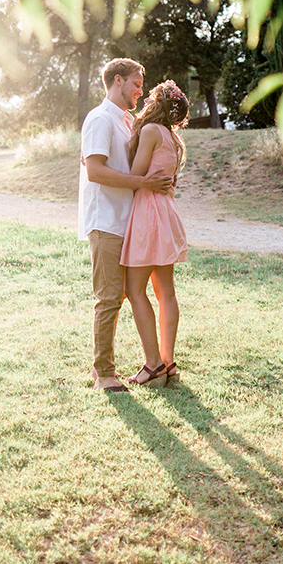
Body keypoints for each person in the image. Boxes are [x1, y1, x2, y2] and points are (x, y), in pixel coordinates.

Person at [78, 58, 172, 392]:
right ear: (117, 81)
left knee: (123, 295)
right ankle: (104, 374)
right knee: (108, 298)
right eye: (135, 83)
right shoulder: (100, 119)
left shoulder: (126, 122)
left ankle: (153, 363)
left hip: (127, 222)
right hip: (105, 220)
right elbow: (95, 171)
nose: (140, 90)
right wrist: (144, 183)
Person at [120, 80, 189, 387]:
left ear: (156, 104)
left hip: (149, 214)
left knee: (134, 290)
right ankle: (168, 361)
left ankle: (152, 365)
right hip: (167, 213)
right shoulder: (172, 138)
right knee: (166, 292)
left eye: (149, 99)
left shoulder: (149, 132)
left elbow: (136, 178)